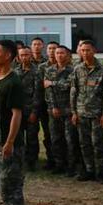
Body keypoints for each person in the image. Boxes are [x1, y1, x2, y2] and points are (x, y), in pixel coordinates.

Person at [70, 39, 103, 183]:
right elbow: (74, 91)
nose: (85, 53)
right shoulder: (78, 69)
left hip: (97, 115)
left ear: (94, 51)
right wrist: (74, 112)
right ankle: (89, 170)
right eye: (82, 50)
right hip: (81, 113)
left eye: (88, 50)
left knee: (98, 144)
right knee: (84, 143)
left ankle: (100, 172)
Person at [0, 40, 25, 205]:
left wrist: (10, 142)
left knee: (11, 185)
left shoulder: (14, 82)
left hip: (10, 143)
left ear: (8, 56)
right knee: (2, 184)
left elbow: (16, 114)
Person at [42, 45, 79, 176]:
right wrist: (53, 107)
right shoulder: (49, 70)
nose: (59, 55)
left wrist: (52, 83)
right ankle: (59, 164)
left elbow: (69, 85)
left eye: (62, 53)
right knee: (55, 138)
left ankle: (72, 165)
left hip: (69, 109)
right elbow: (48, 91)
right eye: (57, 53)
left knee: (70, 139)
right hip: (54, 109)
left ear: (68, 55)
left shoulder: (74, 70)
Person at [15, 46, 39, 171]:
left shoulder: (36, 71)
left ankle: (32, 162)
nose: (24, 57)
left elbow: (37, 93)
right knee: (18, 137)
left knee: (32, 137)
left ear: (31, 56)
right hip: (17, 111)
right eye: (22, 55)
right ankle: (20, 160)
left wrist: (34, 112)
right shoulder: (14, 71)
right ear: (18, 57)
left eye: (27, 55)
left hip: (30, 110)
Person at [36, 40, 57, 170]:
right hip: (45, 105)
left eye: (54, 48)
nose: (52, 51)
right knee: (48, 134)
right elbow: (39, 87)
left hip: (62, 105)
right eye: (50, 49)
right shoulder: (42, 67)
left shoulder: (68, 66)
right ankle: (51, 159)